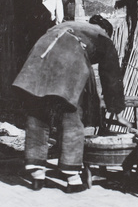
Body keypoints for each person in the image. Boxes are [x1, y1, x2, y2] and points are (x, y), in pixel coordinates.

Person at [13, 15, 131, 192]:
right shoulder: (103, 37)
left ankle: (37, 177)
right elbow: (111, 77)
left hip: (38, 59)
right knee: (72, 119)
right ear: (106, 31)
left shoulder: (64, 26)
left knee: (37, 115)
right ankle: (73, 179)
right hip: (68, 63)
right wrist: (118, 111)